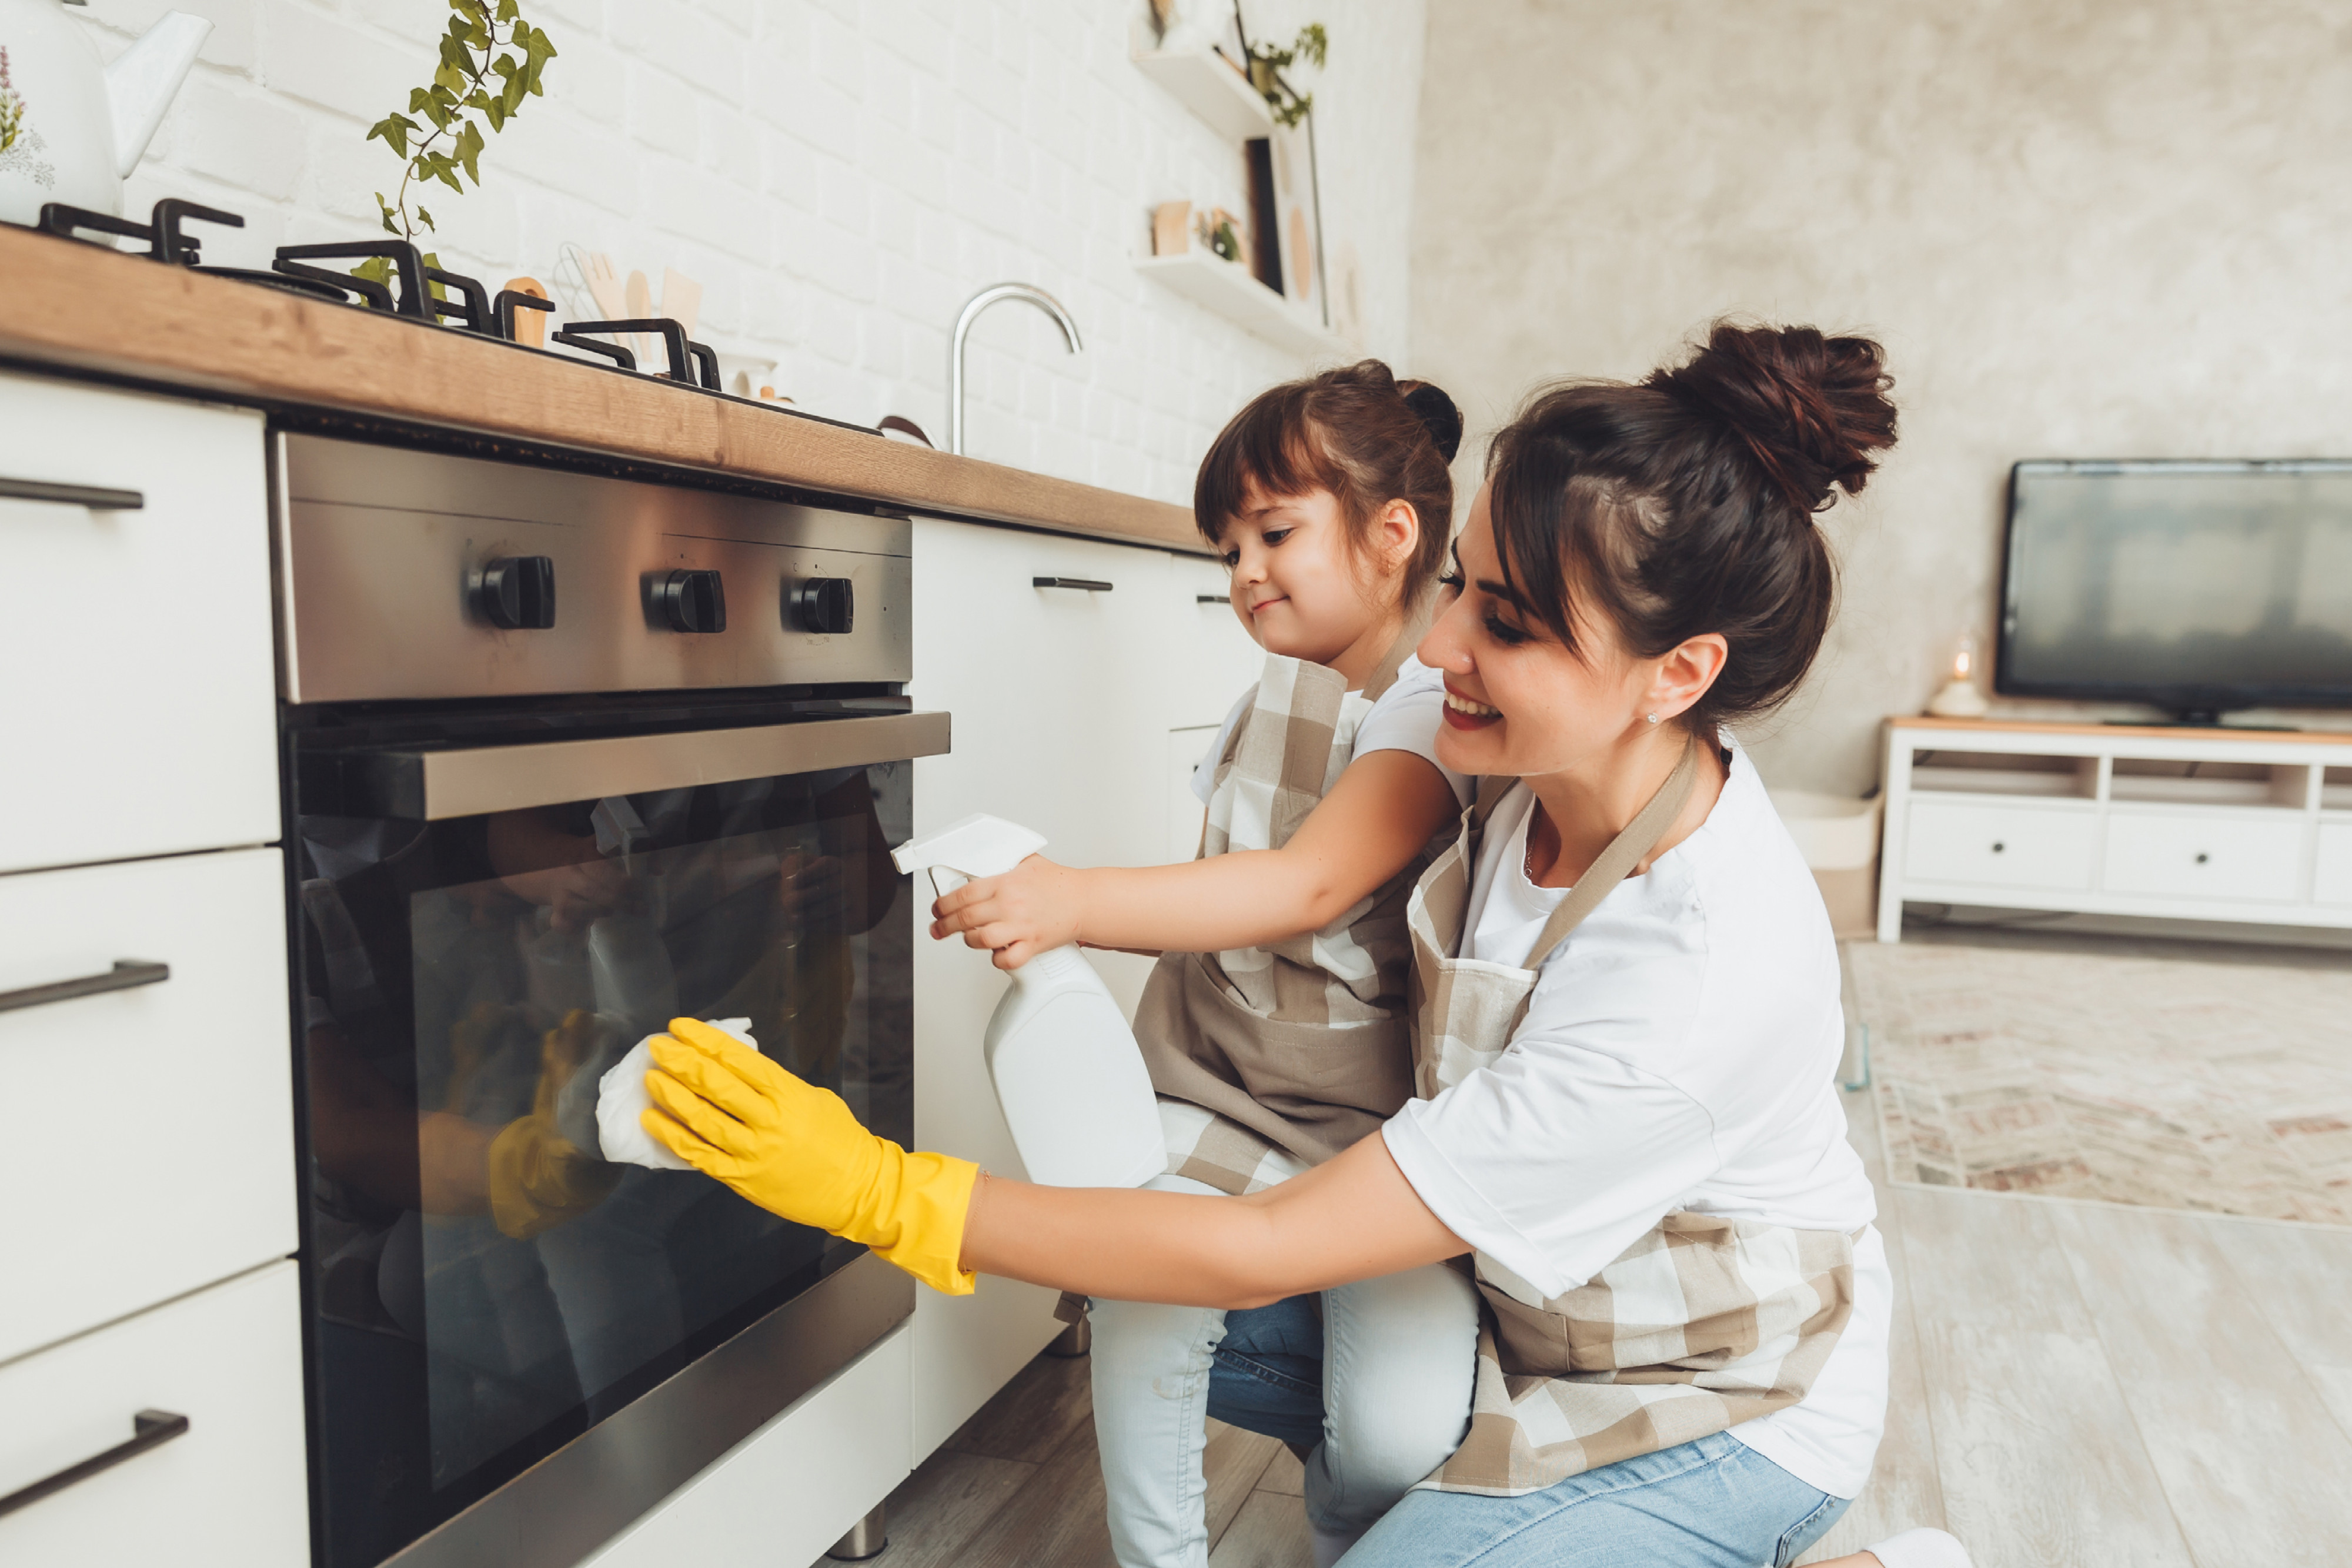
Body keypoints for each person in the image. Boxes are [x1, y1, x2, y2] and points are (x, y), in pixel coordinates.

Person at [635, 323, 1973, 1568]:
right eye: (1464, 586)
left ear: (1674, 675)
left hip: (1709, 1396)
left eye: (1503, 623)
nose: (1440, 639)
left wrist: (881, 1191)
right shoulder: (1494, 752)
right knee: (1120, 1276)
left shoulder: (1696, 976)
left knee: (1183, 1270)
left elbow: (1261, 1246)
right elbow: (1296, 881)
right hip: (1526, 1312)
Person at [933, 360, 1485, 1568]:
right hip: (1218, 1090)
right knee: (1142, 1302)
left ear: (1394, 537)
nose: (1241, 573)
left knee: (1396, 1431)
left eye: (1273, 533)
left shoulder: (1437, 708)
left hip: (1377, 1144)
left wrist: (1073, 898)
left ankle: (1348, 1539)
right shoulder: (1289, 683)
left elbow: (1307, 884)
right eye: (1225, 546)